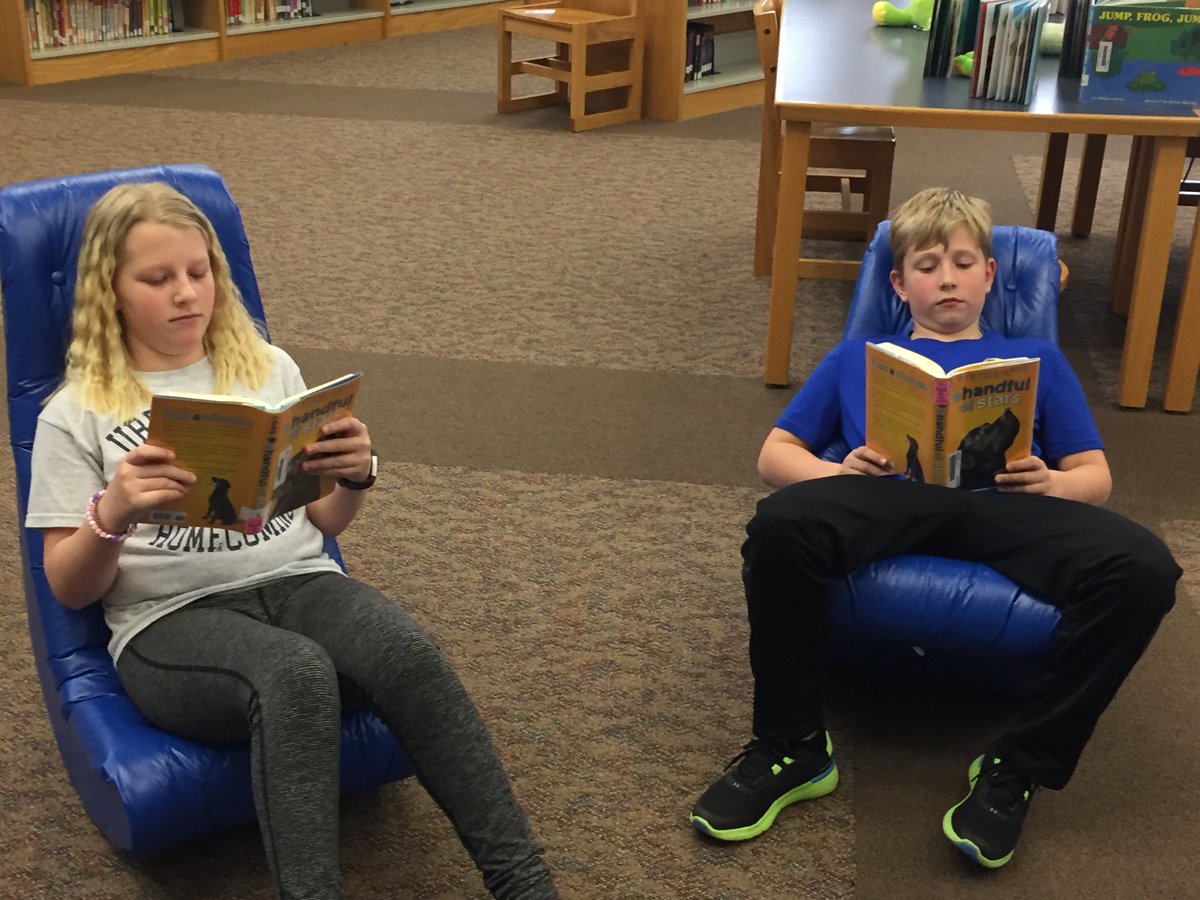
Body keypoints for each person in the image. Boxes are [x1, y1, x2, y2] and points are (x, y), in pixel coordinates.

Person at [25, 182, 558, 900]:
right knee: (294, 676)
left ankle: (524, 882)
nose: (187, 294)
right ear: (110, 292)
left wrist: (356, 476)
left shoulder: (266, 368)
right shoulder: (76, 412)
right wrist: (112, 510)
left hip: (302, 582)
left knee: (406, 653)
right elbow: (69, 585)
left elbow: (326, 524)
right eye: (157, 279)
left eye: (199, 271)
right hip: (170, 626)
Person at [689, 187, 1181, 869]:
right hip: (887, 499)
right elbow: (774, 457)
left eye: (960, 262)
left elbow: (1095, 476)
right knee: (779, 525)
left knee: (1146, 568)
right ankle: (792, 747)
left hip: (1006, 504)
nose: (945, 278)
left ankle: (1017, 767)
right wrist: (841, 475)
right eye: (926, 265)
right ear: (897, 283)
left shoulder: (1037, 358)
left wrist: (1054, 483)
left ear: (990, 275)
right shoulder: (857, 355)